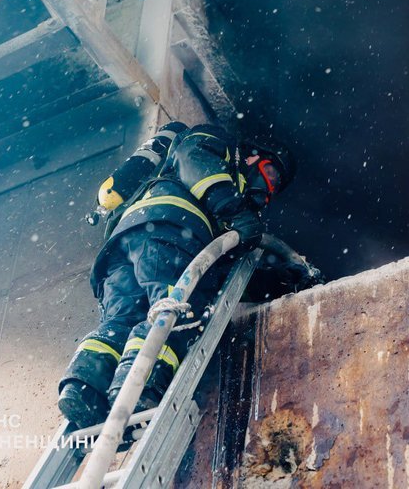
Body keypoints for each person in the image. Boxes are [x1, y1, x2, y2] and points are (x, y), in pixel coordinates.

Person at [58, 121, 296, 429]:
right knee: (176, 311)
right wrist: (233, 208)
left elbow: (221, 268)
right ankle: (137, 390)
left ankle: (84, 388)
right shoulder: (222, 149)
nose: (268, 190)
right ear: (252, 157)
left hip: (124, 241)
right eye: (271, 175)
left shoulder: (208, 195)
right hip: (170, 229)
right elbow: (192, 155)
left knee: (122, 319)